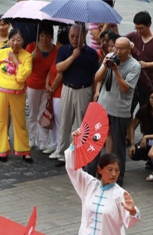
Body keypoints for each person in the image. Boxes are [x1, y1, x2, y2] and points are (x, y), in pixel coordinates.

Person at [89, 37, 140, 181]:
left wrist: (116, 70)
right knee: (96, 141)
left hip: (119, 111)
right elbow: (97, 78)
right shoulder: (110, 56)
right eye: (116, 48)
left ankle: (117, 178)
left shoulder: (134, 66)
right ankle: (90, 174)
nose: (117, 51)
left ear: (129, 49)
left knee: (118, 148)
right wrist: (105, 66)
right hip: (103, 108)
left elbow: (125, 88)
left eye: (121, 49)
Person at [53, 24, 98, 164]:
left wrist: (95, 93)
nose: (74, 39)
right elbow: (59, 68)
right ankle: (62, 153)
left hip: (84, 90)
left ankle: (83, 153)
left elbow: (95, 76)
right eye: (72, 36)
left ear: (84, 36)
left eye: (77, 36)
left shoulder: (91, 53)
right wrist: (72, 57)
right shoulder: (63, 50)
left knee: (83, 124)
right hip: (67, 89)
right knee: (65, 122)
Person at [0, 28, 33, 163]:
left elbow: (22, 77)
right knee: (2, 121)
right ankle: (2, 150)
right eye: (13, 40)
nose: (15, 43)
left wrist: (15, 61)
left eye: (18, 40)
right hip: (1, 91)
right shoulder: (2, 53)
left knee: (20, 122)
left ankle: (24, 150)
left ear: (23, 41)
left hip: (18, 93)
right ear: (8, 40)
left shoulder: (27, 56)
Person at [25, 25, 57, 154]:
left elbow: (52, 69)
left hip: (46, 86)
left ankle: (43, 141)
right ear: (38, 36)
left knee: (44, 113)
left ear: (52, 37)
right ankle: (32, 138)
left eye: (48, 36)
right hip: (33, 84)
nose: (44, 39)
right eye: (42, 36)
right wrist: (30, 58)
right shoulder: (31, 47)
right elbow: (24, 65)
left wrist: (49, 85)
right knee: (33, 113)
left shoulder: (55, 50)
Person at [126, 11, 153, 115]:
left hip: (147, 80)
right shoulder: (133, 36)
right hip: (132, 79)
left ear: (149, 25)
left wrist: (146, 64)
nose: (138, 31)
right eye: (136, 28)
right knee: (128, 110)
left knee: (146, 111)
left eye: (141, 28)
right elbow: (119, 42)